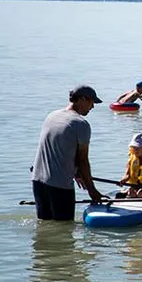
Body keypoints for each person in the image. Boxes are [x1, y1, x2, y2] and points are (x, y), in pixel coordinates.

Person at [31, 86, 105, 220]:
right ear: (81, 99)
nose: (92, 107)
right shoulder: (81, 124)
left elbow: (57, 148)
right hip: (60, 186)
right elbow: (83, 160)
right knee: (64, 228)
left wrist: (76, 173)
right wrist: (92, 191)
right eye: (91, 102)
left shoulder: (52, 115)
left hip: (38, 181)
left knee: (45, 227)